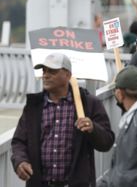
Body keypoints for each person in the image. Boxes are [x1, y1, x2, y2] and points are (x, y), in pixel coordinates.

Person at [11, 53, 114, 187]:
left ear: (67, 75)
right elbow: (19, 141)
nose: (45, 75)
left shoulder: (88, 104)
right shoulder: (33, 106)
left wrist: (93, 128)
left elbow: (107, 142)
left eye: (52, 71)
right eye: (44, 71)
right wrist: (20, 161)